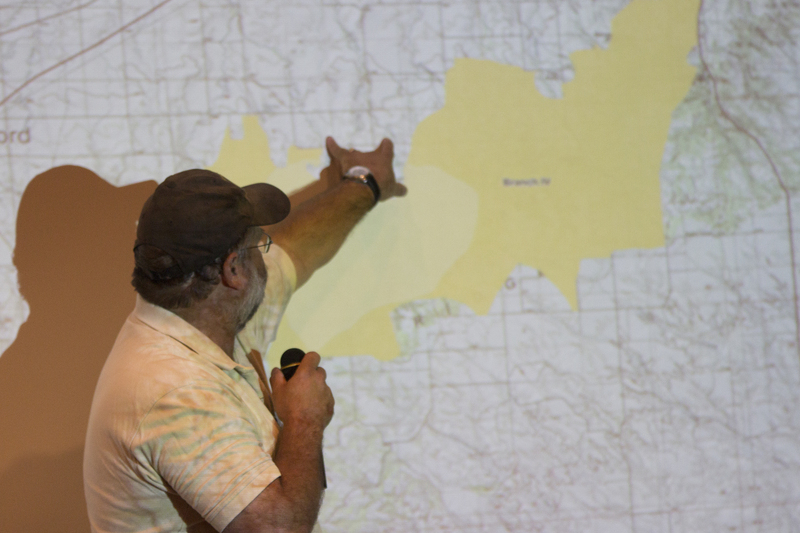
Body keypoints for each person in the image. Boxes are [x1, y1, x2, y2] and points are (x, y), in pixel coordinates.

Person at [83, 137, 406, 533]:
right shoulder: (175, 390)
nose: (267, 256)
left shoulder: (208, 313)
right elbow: (277, 529)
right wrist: (305, 418)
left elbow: (297, 248)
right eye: (258, 245)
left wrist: (365, 180)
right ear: (232, 271)